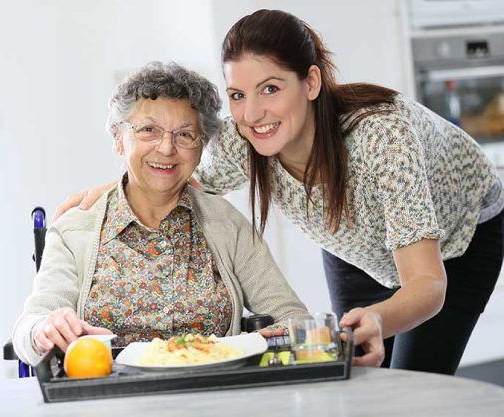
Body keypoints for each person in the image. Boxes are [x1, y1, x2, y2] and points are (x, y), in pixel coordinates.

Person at [54, 10, 503, 375]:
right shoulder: (241, 140)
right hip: (354, 245)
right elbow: (176, 177)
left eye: (270, 88)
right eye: (237, 94)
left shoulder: (381, 136)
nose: (253, 114)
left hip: (457, 240)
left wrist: (382, 317)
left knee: (411, 386)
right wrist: (109, 191)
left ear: (310, 82)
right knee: (354, 372)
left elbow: (426, 283)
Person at [13, 62, 375, 367]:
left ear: (202, 147)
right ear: (119, 139)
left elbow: (293, 318)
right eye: (149, 130)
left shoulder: (226, 224)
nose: (167, 148)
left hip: (218, 398)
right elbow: (28, 332)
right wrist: (44, 329)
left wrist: (268, 341)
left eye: (186, 134)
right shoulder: (77, 227)